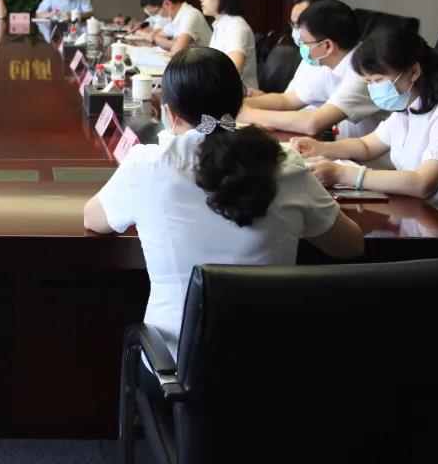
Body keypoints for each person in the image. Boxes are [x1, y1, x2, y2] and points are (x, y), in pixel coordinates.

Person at [83, 47, 363, 360]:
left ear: (171, 114)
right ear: (238, 104)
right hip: (272, 361)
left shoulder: (147, 165)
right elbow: (350, 245)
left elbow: (93, 219)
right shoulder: (285, 163)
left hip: (175, 366)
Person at [291, 25, 438, 256]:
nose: (373, 88)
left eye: (379, 79)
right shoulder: (409, 107)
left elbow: (423, 183)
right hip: (417, 222)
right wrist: (320, 148)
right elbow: (366, 146)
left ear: (414, 71)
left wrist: (343, 174)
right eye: (369, 81)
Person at [238, 0, 385, 138]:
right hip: (344, 150)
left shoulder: (365, 72)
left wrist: (247, 114)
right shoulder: (326, 62)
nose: (301, 46)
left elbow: (312, 123)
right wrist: (238, 105)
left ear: (327, 46)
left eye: (304, 42)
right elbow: (288, 100)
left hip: (373, 156)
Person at [247, 0, 332, 97]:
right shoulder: (309, 57)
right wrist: (262, 97)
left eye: (299, 24)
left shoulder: (335, 68)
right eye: (293, 24)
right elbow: (289, 99)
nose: (295, 30)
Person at [199, 0, 259, 90]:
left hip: (238, 93)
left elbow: (233, 69)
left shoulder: (236, 26)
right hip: (218, 88)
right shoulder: (220, 24)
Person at [136, 0, 211, 54]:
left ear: (167, 4)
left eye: (155, 12)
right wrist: (173, 43)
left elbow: (176, 50)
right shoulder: (172, 18)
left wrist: (173, 44)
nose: (154, 17)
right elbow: (156, 37)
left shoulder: (190, 15)